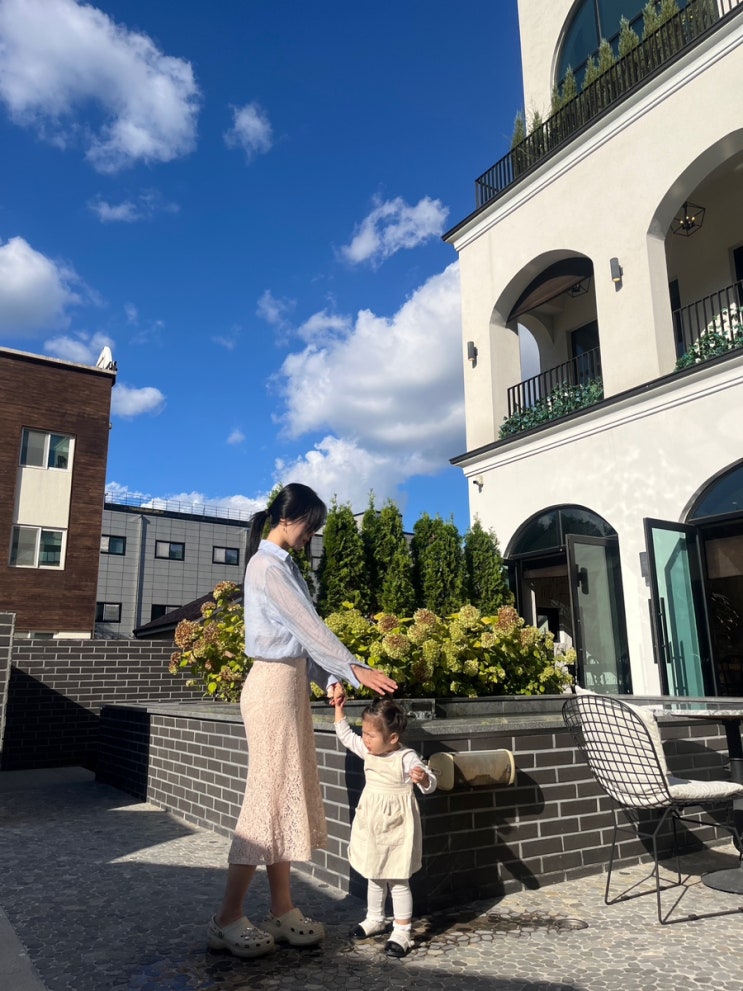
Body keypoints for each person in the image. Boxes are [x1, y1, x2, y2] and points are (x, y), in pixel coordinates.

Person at [207, 483, 398, 960]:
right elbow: (311, 628)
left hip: (289, 687)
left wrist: (327, 677)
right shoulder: (266, 566)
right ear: (287, 519)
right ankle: (226, 918)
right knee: (266, 800)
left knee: (283, 798)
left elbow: (298, 638)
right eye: (310, 527)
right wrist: (353, 668)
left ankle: (282, 909)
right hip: (271, 690)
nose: (311, 536)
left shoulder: (283, 565)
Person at [333, 692, 437, 958]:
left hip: (397, 828)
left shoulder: (406, 757)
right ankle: (375, 918)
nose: (365, 739)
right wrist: (339, 709)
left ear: (392, 738)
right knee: (374, 872)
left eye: (371, 735)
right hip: (371, 824)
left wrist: (423, 777)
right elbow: (346, 736)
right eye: (364, 733)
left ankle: (402, 931)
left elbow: (430, 782)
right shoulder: (368, 751)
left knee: (398, 878)